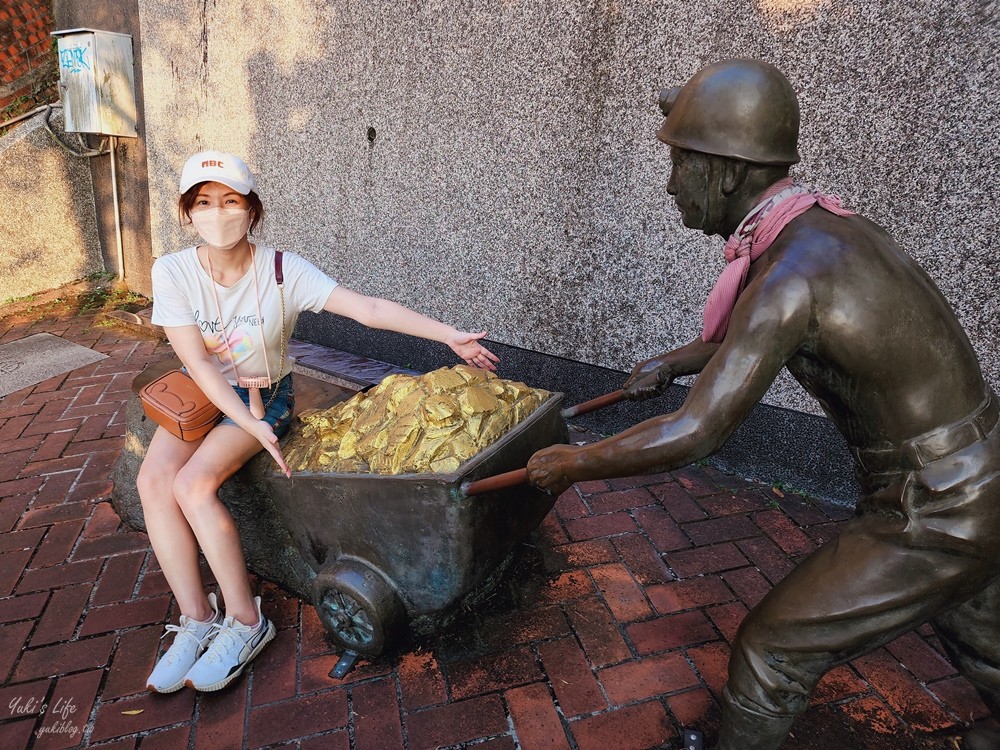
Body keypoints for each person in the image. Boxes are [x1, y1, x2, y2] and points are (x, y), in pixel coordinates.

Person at [526, 60, 1000, 750]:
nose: (669, 185)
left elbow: (696, 431)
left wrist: (574, 461)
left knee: (769, 652)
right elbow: (771, 339)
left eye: (680, 163)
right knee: (985, 642)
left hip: (936, 506)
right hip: (985, 477)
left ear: (725, 171)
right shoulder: (827, 232)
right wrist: (679, 360)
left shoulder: (787, 278)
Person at [139, 150, 499, 694]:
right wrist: (245, 423)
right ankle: (197, 619)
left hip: (267, 397)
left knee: (192, 485)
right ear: (188, 212)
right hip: (207, 394)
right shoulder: (173, 270)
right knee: (151, 481)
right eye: (204, 203)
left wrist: (447, 333)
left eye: (229, 201)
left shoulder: (283, 271)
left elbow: (368, 309)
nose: (217, 213)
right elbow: (198, 364)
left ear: (251, 210)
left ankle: (245, 621)